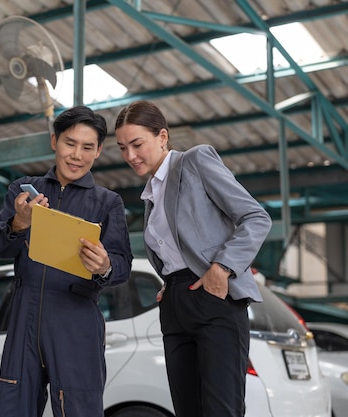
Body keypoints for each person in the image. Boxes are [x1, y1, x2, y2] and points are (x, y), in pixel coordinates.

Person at [114, 100, 272, 417]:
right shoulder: (150, 196)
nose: (130, 156)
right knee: (187, 410)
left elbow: (256, 218)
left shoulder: (195, 161)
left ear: (162, 137)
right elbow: (178, 246)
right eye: (122, 148)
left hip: (215, 299)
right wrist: (171, 282)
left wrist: (221, 268)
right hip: (175, 305)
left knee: (220, 410)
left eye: (137, 144)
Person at [0, 105, 133, 417]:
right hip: (24, 314)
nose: (76, 155)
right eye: (70, 143)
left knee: (78, 409)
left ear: (98, 151)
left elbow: (123, 265)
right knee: (13, 406)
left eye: (87, 147)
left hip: (76, 317)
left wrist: (105, 265)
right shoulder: (24, 191)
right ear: (54, 141)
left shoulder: (108, 203)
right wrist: (19, 224)